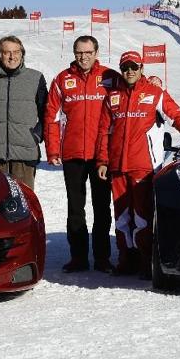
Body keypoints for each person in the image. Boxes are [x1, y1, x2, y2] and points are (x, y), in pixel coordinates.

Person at [96, 51, 180, 278]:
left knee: (142, 216)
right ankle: (124, 260)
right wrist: (102, 160)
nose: (129, 71)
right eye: (125, 68)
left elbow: (177, 116)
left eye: (134, 67)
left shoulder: (154, 92)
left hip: (144, 166)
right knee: (121, 218)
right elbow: (103, 133)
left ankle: (145, 261)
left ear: (141, 68)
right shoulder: (112, 97)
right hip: (118, 167)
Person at [45, 35, 120, 273]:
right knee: (75, 208)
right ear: (74, 53)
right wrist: (53, 149)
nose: (83, 57)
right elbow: (51, 117)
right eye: (79, 52)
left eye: (88, 52)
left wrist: (153, 81)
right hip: (73, 154)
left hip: (102, 156)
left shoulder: (110, 77)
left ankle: (102, 257)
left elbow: (129, 96)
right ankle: (78, 257)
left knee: (101, 207)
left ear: (96, 53)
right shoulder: (62, 79)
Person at [0, 35, 48, 189]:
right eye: (7, 52)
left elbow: (46, 113)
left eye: (16, 52)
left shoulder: (35, 78)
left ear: (22, 54)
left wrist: (36, 136)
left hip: (25, 155)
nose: (12, 56)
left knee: (24, 203)